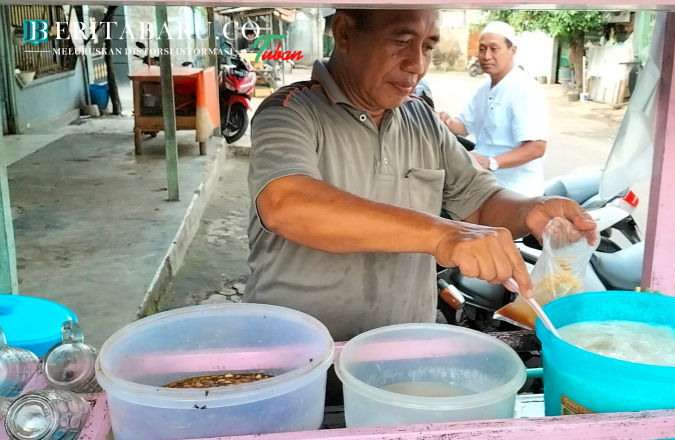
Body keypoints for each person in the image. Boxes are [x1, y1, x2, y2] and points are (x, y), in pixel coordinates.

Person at [244, 9, 596, 343]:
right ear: (345, 32)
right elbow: (286, 204)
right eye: (401, 41)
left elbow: (481, 202)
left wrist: (531, 210)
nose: (418, 65)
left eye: (427, 46)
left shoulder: (423, 122)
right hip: (300, 359)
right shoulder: (290, 111)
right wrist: (443, 235)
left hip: (402, 355)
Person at [439, 21, 549, 197]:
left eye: (494, 49)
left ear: (512, 51)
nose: (486, 56)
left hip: (516, 190)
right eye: (482, 49)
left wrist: (491, 162)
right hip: (483, 180)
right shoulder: (484, 88)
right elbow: (464, 127)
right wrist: (443, 120)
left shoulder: (525, 89)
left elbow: (536, 147)